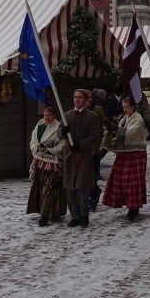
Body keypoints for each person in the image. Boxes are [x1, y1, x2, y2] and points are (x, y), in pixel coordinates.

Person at [58, 89, 101, 228]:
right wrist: (63, 132)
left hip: (84, 156)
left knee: (82, 186)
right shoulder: (66, 116)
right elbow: (59, 134)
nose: (77, 100)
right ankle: (74, 215)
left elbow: (95, 137)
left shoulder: (92, 117)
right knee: (70, 186)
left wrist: (81, 144)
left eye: (80, 97)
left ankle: (84, 215)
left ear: (86, 100)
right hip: (69, 156)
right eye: (75, 97)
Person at [102, 95, 147, 220]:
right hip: (124, 153)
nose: (125, 110)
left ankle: (134, 207)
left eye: (126, 107)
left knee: (133, 182)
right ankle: (127, 203)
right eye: (123, 107)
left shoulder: (139, 119)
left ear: (133, 107)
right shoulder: (125, 118)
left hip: (136, 153)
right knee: (122, 180)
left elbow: (128, 132)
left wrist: (115, 128)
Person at [27, 107, 67, 226]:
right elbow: (33, 141)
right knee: (39, 187)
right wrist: (37, 148)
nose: (46, 118)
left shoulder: (59, 127)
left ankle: (45, 216)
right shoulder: (39, 126)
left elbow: (63, 143)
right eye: (45, 115)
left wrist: (51, 150)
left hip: (54, 163)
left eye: (49, 115)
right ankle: (44, 211)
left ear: (54, 116)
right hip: (39, 161)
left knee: (49, 189)